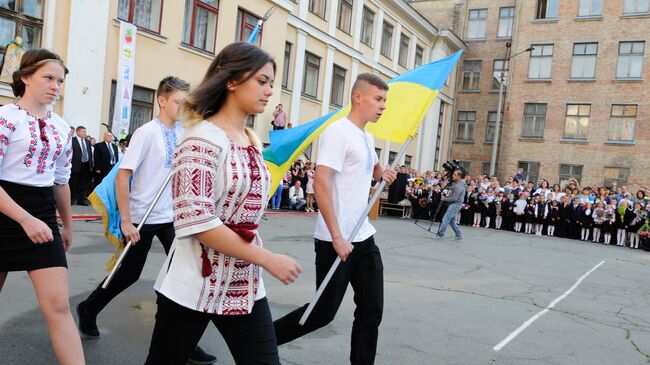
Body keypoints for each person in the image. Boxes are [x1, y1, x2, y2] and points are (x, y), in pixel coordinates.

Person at [145, 42, 302, 365]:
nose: (270, 91)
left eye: (271, 83)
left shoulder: (252, 140)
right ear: (231, 81)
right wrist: (267, 258)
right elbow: (197, 221)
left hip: (242, 284)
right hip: (192, 281)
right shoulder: (201, 138)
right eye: (261, 81)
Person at [77, 77, 217, 364]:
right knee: (128, 274)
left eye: (185, 103)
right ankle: (89, 308)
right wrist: (127, 222)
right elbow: (123, 176)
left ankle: (185, 344)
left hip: (172, 218)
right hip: (142, 216)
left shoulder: (184, 132)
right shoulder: (146, 133)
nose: (182, 108)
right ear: (162, 100)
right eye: (178, 102)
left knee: (186, 276)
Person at [273, 72, 396, 365]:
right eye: (378, 99)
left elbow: (374, 170)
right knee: (321, 313)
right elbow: (321, 182)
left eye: (385, 101)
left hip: (363, 237)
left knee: (371, 310)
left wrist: (383, 173)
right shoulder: (337, 132)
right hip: (335, 240)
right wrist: (338, 236)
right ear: (358, 97)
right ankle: (261, 344)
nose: (383, 106)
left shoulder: (366, 136)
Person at [0, 49, 85, 364]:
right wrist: (24, 219)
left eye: (60, 81)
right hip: (5, 211)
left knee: (59, 306)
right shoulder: (5, 118)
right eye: (48, 78)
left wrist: (67, 224)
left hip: (42, 215)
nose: (55, 86)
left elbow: (60, 181)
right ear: (25, 77)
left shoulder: (62, 127)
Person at [436, 169, 467, 240]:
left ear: (459, 176)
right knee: (451, 220)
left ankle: (440, 234)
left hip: (455, 204)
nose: (452, 176)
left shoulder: (458, 186)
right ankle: (459, 235)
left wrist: (444, 199)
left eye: (454, 175)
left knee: (446, 218)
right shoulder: (455, 184)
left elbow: (454, 198)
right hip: (454, 204)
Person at [70, 125, 93, 205]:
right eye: (83, 131)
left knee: (83, 183)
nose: (84, 133)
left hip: (86, 165)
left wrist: (91, 165)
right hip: (75, 165)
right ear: (78, 132)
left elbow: (89, 153)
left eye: (85, 131)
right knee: (74, 182)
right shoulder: (72, 140)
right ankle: (73, 199)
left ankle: (81, 199)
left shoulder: (87, 141)